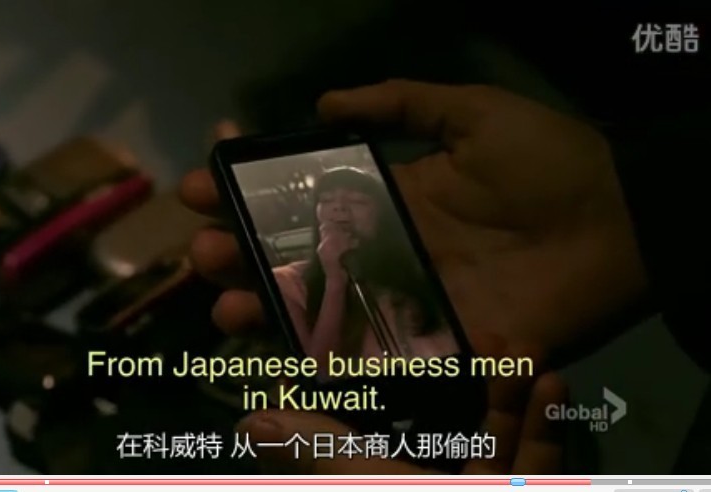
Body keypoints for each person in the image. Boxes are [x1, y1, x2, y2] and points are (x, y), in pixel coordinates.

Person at [180, 79, 708, 474]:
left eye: (354, 203)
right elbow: (323, 358)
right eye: (329, 205)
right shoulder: (300, 280)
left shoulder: (404, 274)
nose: (340, 213)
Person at [271, 165, 458, 375]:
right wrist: (335, 281)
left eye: (357, 201)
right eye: (326, 200)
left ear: (382, 216)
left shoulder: (421, 272)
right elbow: (318, 372)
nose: (339, 207)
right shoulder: (289, 282)